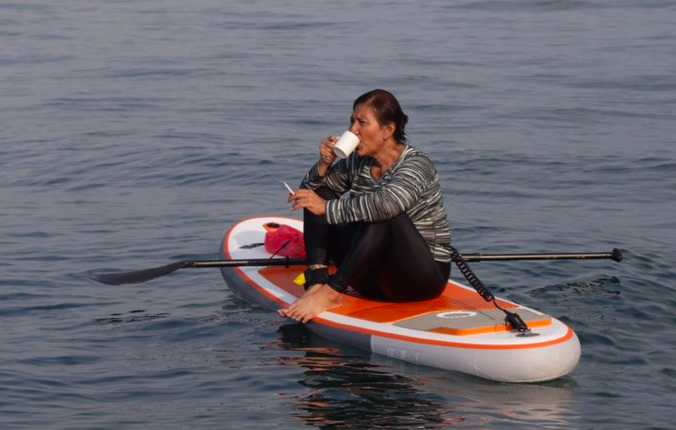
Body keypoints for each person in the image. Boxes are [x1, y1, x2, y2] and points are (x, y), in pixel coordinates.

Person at [278, 89, 451, 323]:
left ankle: (331, 292)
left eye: (362, 123)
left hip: (419, 280)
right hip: (371, 278)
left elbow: (387, 205)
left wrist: (326, 208)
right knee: (319, 194)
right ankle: (317, 282)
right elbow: (311, 196)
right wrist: (324, 164)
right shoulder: (357, 162)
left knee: (384, 213)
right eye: (351, 121)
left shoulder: (416, 164)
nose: (352, 131)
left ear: (388, 130)